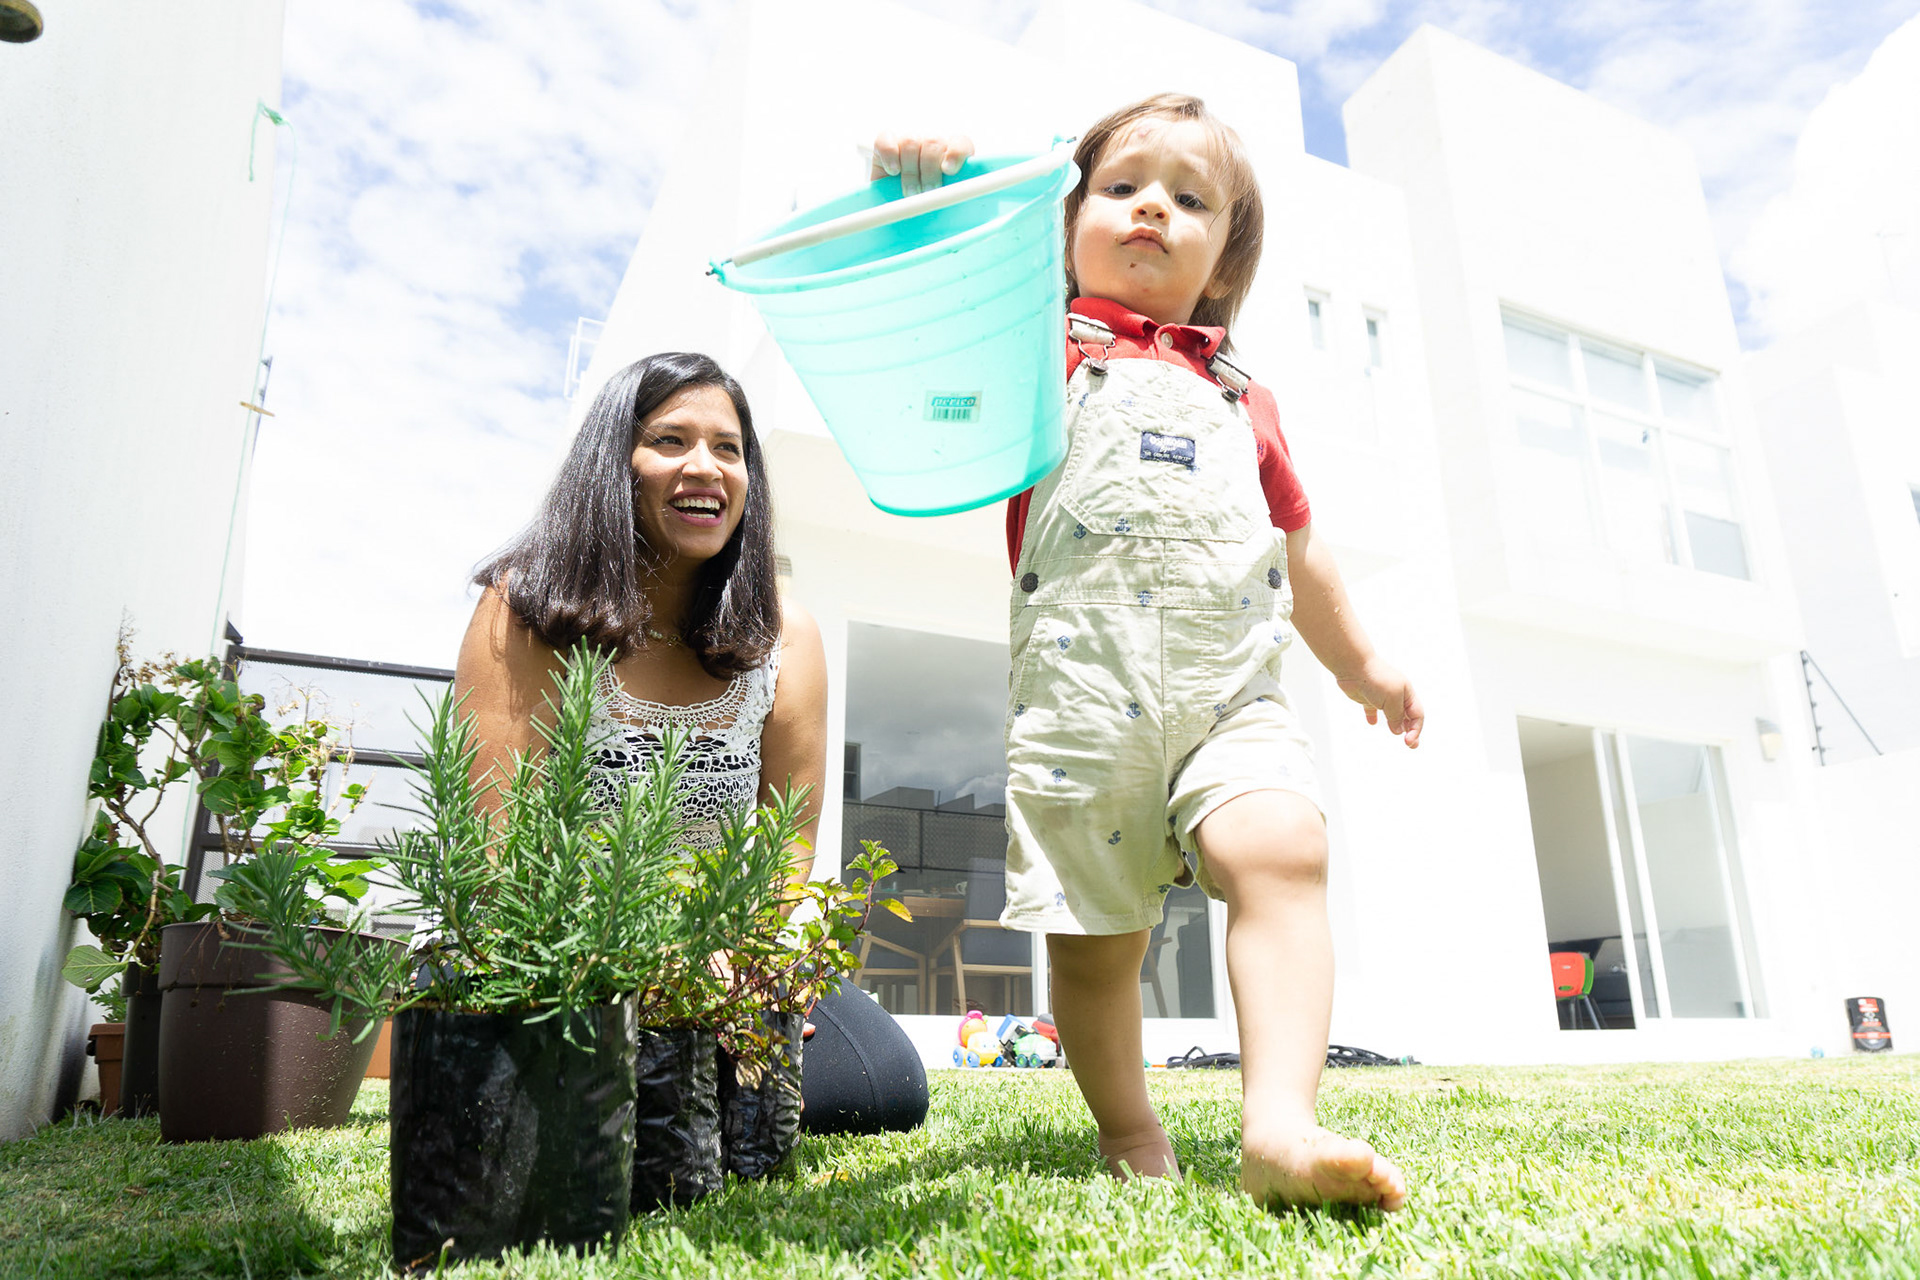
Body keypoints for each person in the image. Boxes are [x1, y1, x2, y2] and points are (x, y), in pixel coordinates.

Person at [870, 96, 1421, 1212]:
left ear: (1224, 260)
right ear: (1067, 224)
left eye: (1190, 198)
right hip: (1085, 693)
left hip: (1231, 693)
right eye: (1121, 188)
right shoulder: (1035, 351)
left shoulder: (1243, 397)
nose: (1152, 208)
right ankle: (1129, 1124)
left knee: (1284, 846)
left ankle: (1279, 1121)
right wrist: (925, 193)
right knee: (1095, 936)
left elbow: (1300, 555)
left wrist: (1364, 664)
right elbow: (931, 323)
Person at [454, 350, 926, 1139]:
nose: (705, 467)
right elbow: (495, 846)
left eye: (728, 448)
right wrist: (638, 955)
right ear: (615, 462)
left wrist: (760, 974)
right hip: (564, 951)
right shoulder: (527, 610)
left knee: (880, 1086)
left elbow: (787, 856)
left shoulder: (786, 636)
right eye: (670, 441)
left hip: (722, 950)